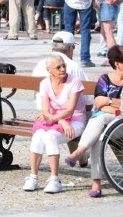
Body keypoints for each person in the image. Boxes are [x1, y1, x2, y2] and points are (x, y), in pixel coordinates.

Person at [65, 45, 123, 198]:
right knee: (98, 137)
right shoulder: (104, 79)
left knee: (100, 118)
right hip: (109, 124)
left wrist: (108, 103)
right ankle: (96, 182)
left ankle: (79, 152)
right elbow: (98, 102)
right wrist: (116, 105)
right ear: (117, 63)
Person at [22, 53, 85, 194]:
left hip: (75, 120)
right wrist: (60, 120)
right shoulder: (44, 83)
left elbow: (70, 110)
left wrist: (56, 118)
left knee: (50, 136)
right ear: (49, 70)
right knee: (38, 135)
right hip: (57, 120)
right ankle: (33, 177)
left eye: (64, 66)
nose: (63, 69)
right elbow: (45, 109)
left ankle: (55, 179)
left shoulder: (74, 82)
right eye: (58, 67)